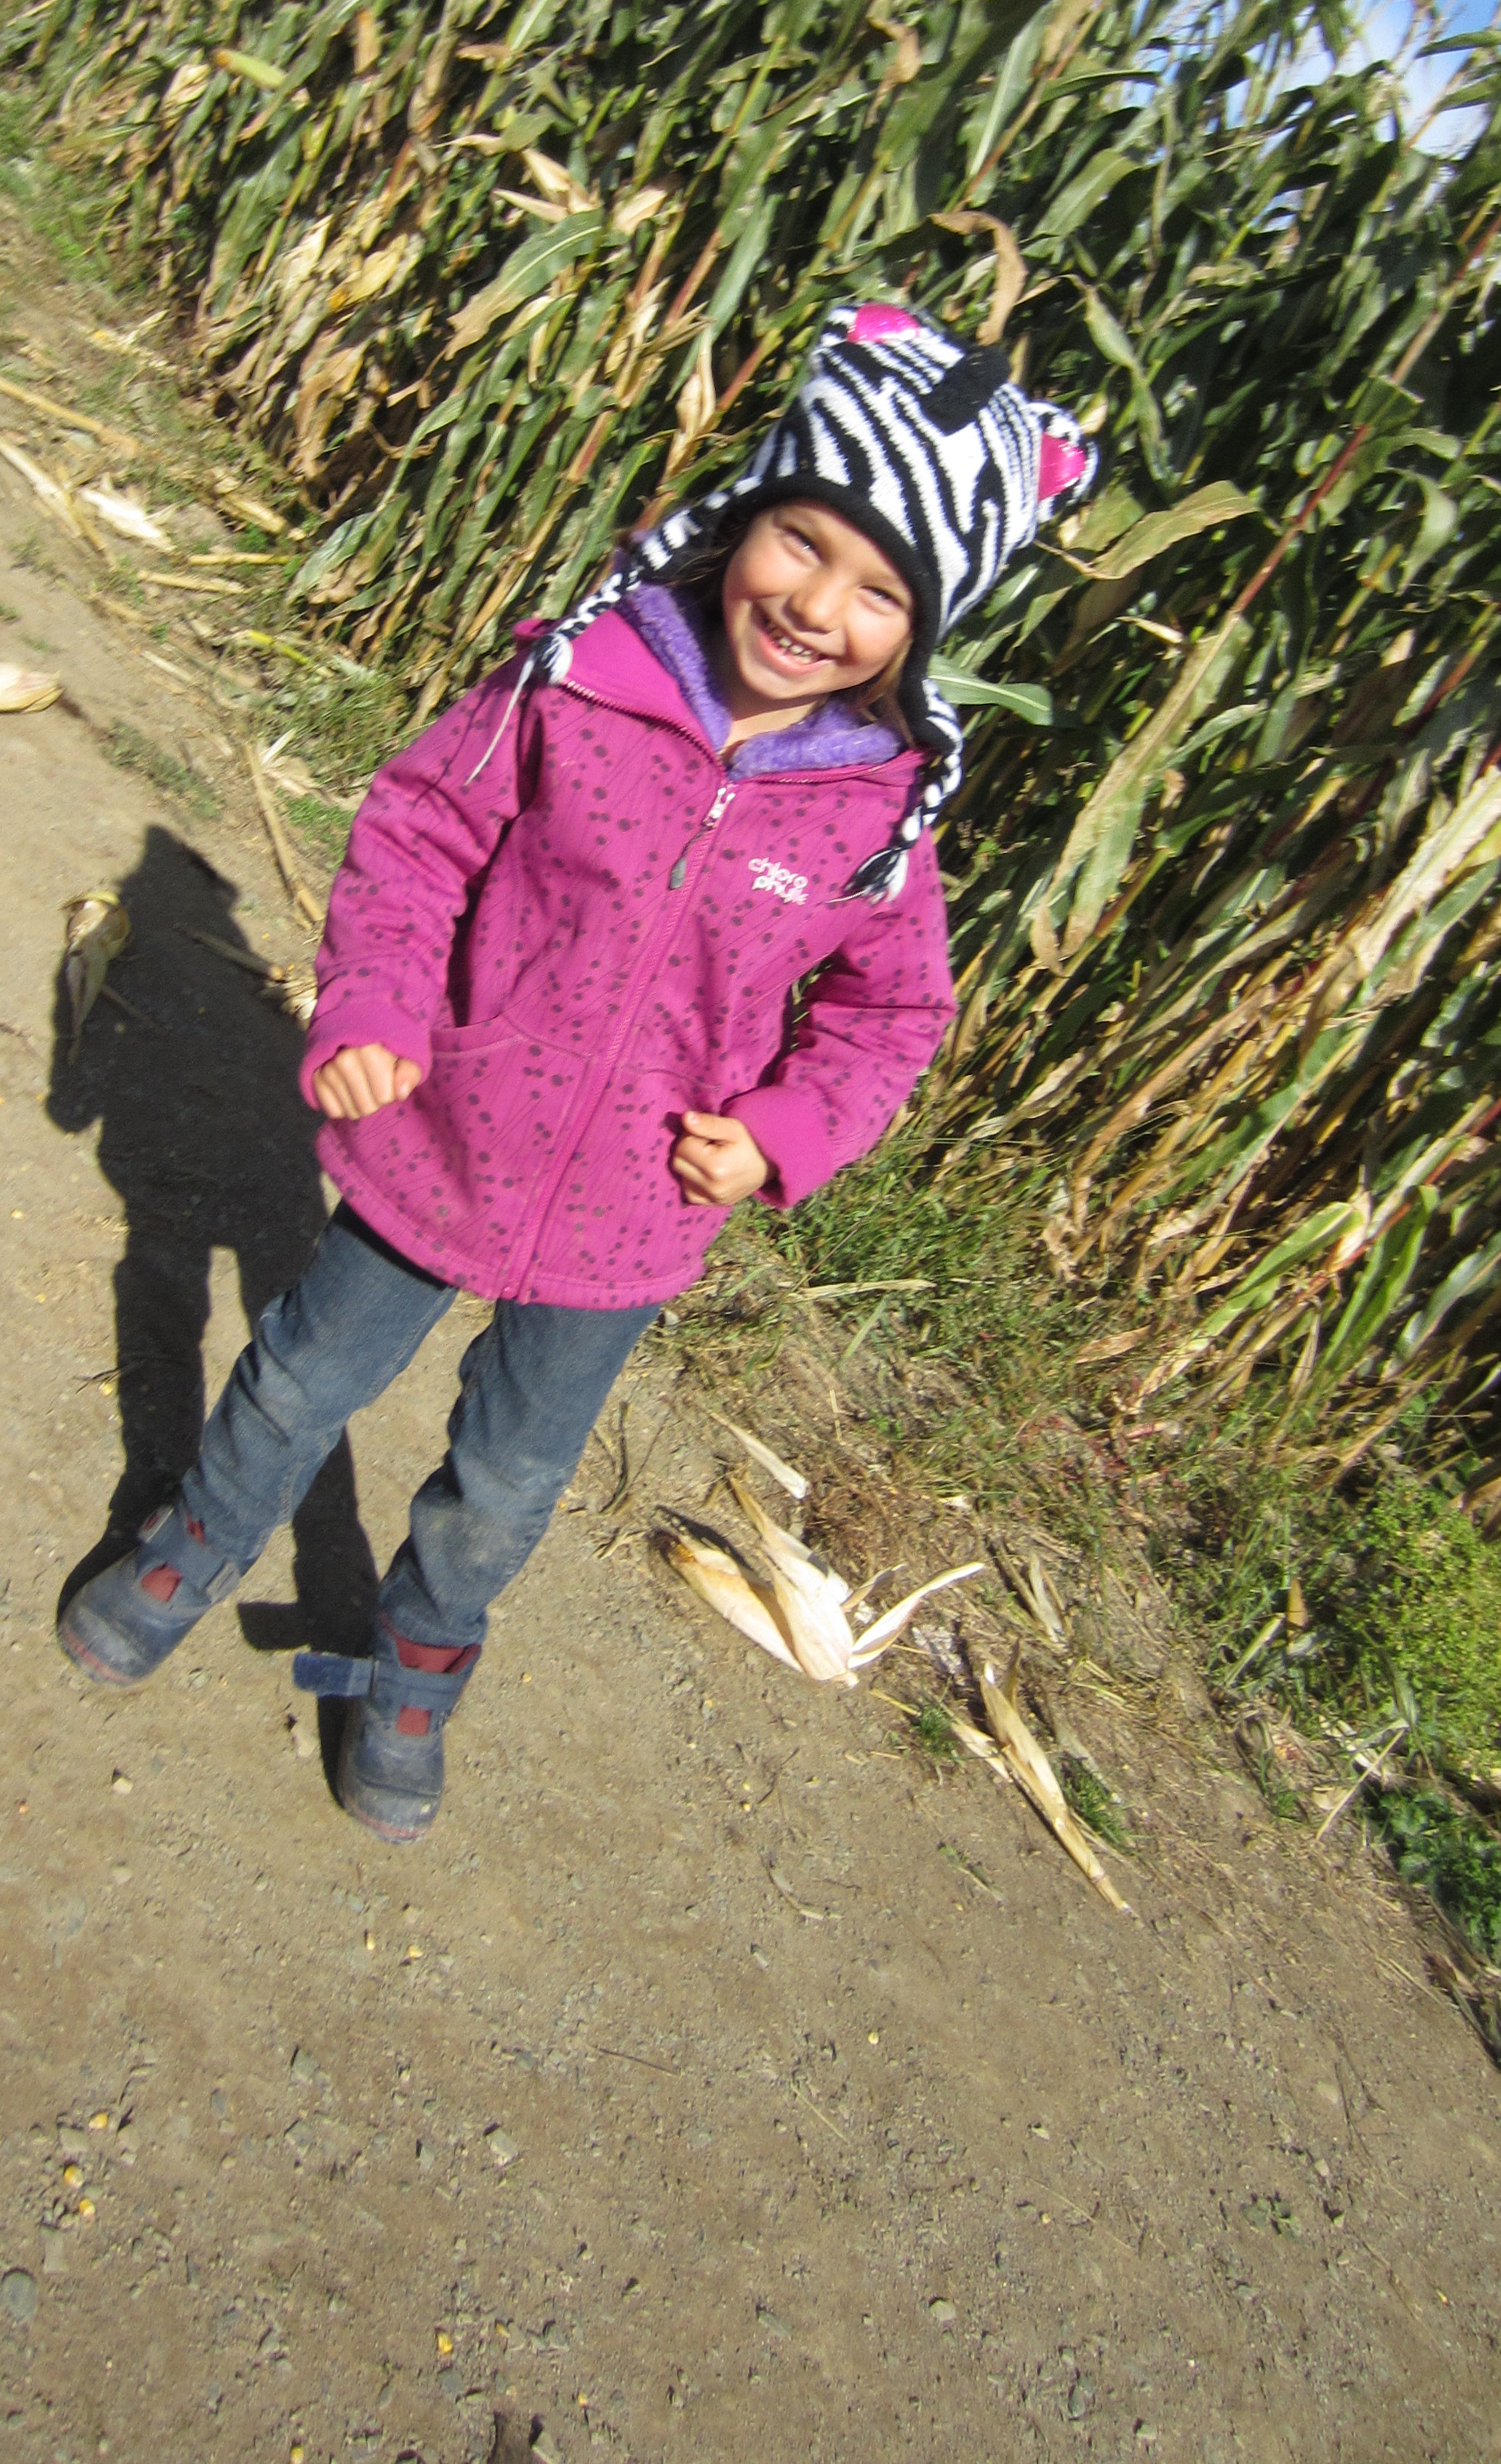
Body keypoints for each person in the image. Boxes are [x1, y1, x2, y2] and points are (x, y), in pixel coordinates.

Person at [56, 298, 1097, 1841]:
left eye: (882, 591)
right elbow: (421, 833)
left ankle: (413, 1666)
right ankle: (193, 1542)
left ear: (923, 629)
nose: (819, 604)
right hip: (439, 1130)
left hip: (628, 1219)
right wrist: (375, 1006)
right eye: (803, 541)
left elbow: (893, 1013)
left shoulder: (878, 816)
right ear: (751, 512)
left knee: (506, 1481)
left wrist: (783, 1133)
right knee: (299, 1379)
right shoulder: (583, 678)